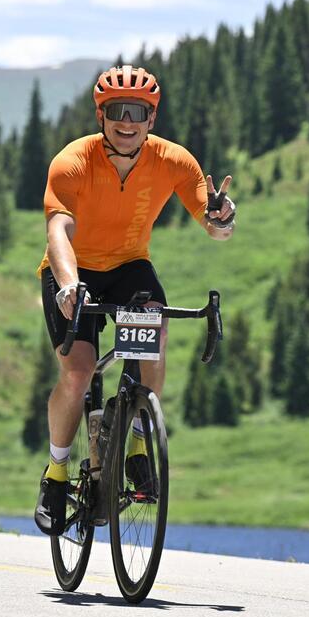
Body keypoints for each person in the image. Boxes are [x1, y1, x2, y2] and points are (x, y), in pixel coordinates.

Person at [34, 65, 236, 535]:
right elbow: (58, 230)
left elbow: (212, 225)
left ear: (152, 118)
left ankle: (140, 443)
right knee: (80, 371)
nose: (128, 122)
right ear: (101, 115)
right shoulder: (73, 161)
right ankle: (58, 472)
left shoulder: (174, 161)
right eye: (118, 111)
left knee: (153, 330)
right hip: (73, 269)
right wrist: (67, 285)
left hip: (128, 268)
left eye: (138, 112)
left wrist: (223, 220)